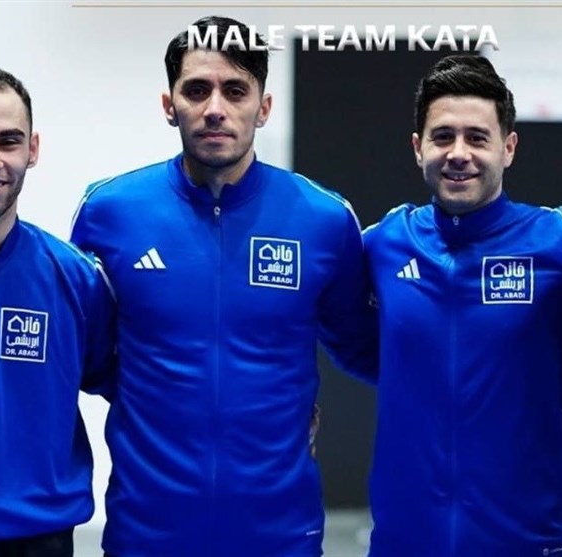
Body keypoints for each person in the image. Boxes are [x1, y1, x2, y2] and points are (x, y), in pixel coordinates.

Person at [70, 15, 377, 557]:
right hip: (147, 534)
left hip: (280, 535)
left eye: (235, 91)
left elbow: (365, 347)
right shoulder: (109, 212)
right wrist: (163, 395)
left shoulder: (324, 219)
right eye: (196, 90)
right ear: (169, 105)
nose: (215, 108)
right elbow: (83, 355)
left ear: (263, 106)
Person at [362, 54, 562, 556]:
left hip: (528, 543)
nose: (459, 154)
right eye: (443, 137)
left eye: (477, 138)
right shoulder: (383, 243)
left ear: (508, 148)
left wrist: (553, 420)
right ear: (417, 148)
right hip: (403, 544)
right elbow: (345, 335)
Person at [0, 65, 114, 555]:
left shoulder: (76, 279)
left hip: (39, 540)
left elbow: (142, 393)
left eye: (8, 141)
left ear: (32, 150)